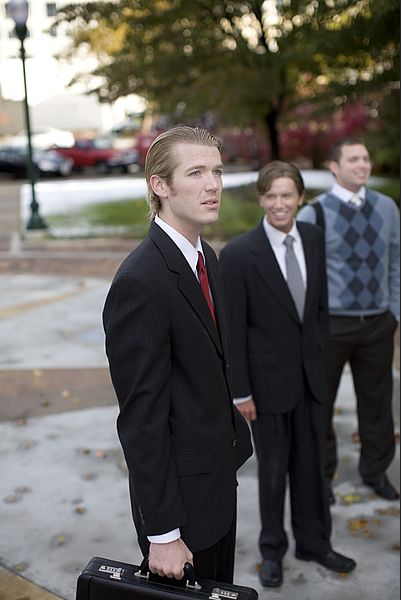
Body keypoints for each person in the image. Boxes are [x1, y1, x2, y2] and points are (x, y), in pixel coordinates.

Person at [102, 126, 253, 583]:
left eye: (217, 172)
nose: (213, 185)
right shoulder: (140, 283)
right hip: (181, 511)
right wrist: (162, 534)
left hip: (216, 484)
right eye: (196, 173)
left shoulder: (207, 256)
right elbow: (141, 420)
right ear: (160, 185)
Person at [219, 161, 356, 588]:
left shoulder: (314, 238)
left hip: (313, 381)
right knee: (274, 472)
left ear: (300, 198)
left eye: (287, 195)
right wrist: (240, 390)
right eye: (271, 195)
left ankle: (314, 542)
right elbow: (234, 331)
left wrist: (323, 364)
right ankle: (272, 550)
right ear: (261, 199)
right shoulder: (239, 255)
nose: (279, 204)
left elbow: (319, 312)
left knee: (313, 468)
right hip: (266, 387)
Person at [297, 137, 400, 502]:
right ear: (334, 167)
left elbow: (397, 260)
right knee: (319, 407)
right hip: (331, 327)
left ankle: (375, 471)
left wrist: (394, 311)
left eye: (366, 158)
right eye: (353, 159)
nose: (363, 164)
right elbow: (301, 274)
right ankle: (322, 480)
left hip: (377, 324)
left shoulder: (387, 208)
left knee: (377, 405)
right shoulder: (315, 213)